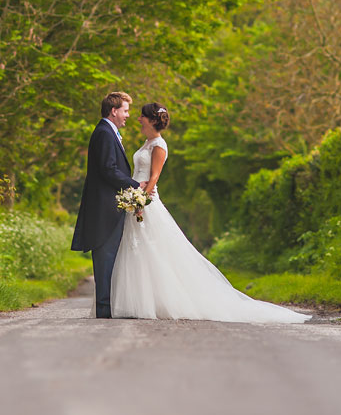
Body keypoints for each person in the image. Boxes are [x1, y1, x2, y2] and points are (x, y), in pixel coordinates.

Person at [110, 103, 311, 323]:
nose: (138, 119)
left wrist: (142, 200)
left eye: (142, 116)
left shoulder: (159, 145)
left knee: (154, 249)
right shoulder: (146, 143)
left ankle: (158, 302)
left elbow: (155, 176)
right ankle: (141, 301)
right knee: (141, 249)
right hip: (136, 199)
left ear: (151, 120)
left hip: (147, 202)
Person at [71, 92, 148, 318]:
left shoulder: (108, 132)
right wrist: (135, 185)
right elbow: (108, 169)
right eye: (125, 110)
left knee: (111, 258)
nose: (128, 116)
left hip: (109, 207)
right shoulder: (104, 133)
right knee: (105, 258)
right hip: (104, 209)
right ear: (113, 111)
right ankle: (104, 310)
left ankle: (108, 308)